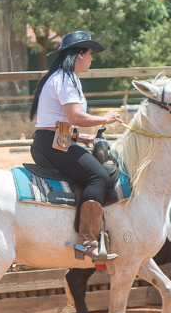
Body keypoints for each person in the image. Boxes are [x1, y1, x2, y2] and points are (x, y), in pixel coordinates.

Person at [29, 31, 122, 262]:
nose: (92, 59)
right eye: (90, 54)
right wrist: (105, 119)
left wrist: (79, 138)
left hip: (52, 140)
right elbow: (76, 116)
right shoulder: (66, 79)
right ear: (80, 54)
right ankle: (87, 241)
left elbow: (59, 120)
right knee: (98, 176)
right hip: (52, 144)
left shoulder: (62, 77)